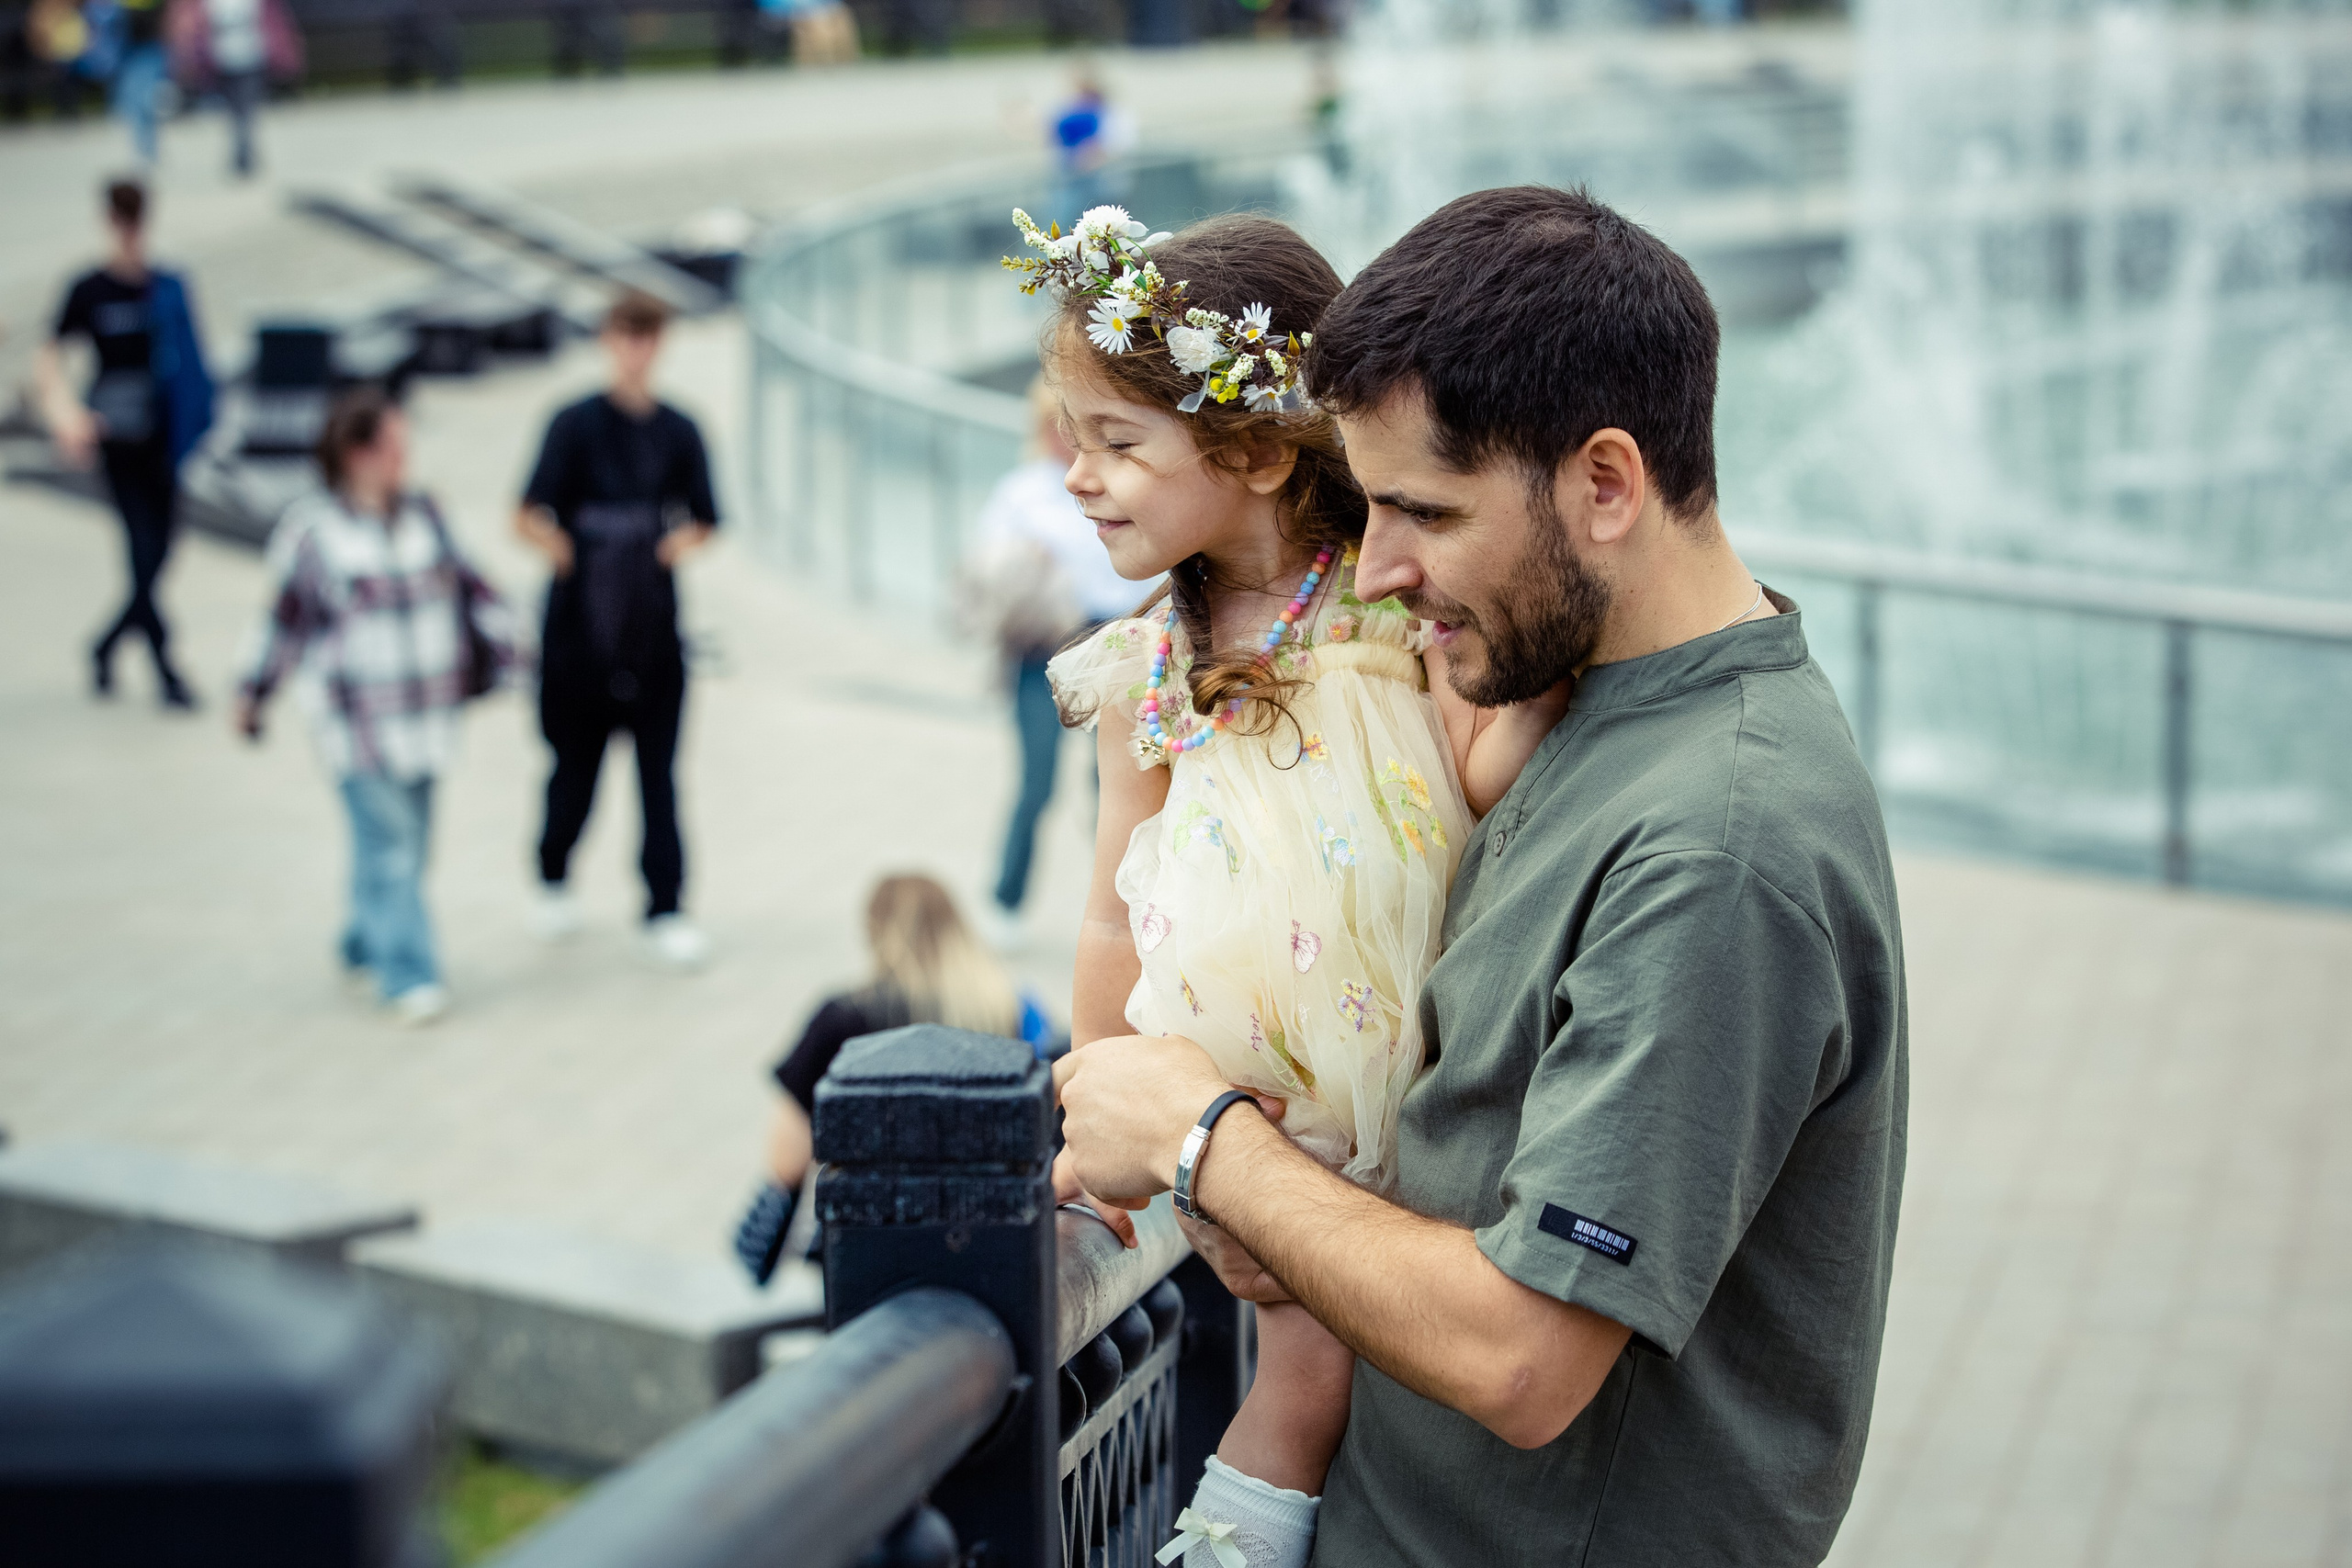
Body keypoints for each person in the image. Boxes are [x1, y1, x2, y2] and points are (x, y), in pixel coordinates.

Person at [1053, 186, 1907, 1568]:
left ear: (1607, 484)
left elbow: (1524, 1352)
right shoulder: (1586, 700)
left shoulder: (1719, 844)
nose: (1377, 572)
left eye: (1423, 512)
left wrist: (1210, 1138)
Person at [1013, 206, 1564, 1568]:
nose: (1079, 475)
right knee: (1305, 1361)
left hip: (1411, 1063)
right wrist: (1097, 1102)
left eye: (1118, 441)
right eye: (1070, 438)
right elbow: (1107, 907)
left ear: (1255, 450)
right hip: (1251, 1090)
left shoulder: (1388, 616)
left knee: (1372, 1358)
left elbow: (1487, 772)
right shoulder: (1145, 665)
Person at [235, 389, 517, 1027]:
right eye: (390, 446)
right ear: (355, 452)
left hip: (426, 720)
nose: (402, 458)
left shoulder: (426, 517)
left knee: (409, 848)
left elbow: (480, 592)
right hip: (356, 726)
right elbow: (281, 622)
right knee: (391, 849)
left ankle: (363, 941)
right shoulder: (314, 533)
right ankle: (408, 974)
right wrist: (251, 693)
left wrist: (522, 658)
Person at [516, 291, 718, 970]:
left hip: (652, 625)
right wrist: (574, 551)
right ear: (609, 340)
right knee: (576, 764)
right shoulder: (572, 424)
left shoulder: (679, 429)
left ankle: (665, 902)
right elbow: (527, 511)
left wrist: (660, 550)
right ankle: (553, 868)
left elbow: (707, 518)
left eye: (648, 337)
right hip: (580, 626)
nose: (637, 350)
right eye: (627, 336)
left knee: (658, 773)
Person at [732, 874, 1054, 1284]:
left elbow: (786, 1160)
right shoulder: (1012, 1009)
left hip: (871, 1246)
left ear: (876, 933)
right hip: (996, 1239)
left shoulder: (843, 1020)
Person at [961, 376, 1138, 950]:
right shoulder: (1022, 492)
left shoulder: (1118, 484)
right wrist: (1024, 562)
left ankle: (1123, 906)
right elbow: (984, 564)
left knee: (1113, 787)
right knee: (1036, 782)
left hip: (1113, 637)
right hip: (1044, 644)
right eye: (1055, 427)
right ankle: (1006, 899)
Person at [35, 178, 212, 710]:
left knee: (160, 553)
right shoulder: (90, 290)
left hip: (161, 439)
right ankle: (166, 668)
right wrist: (66, 415)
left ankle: (106, 644)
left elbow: (192, 362)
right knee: (140, 552)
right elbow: (49, 360)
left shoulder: (165, 285)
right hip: (117, 441)